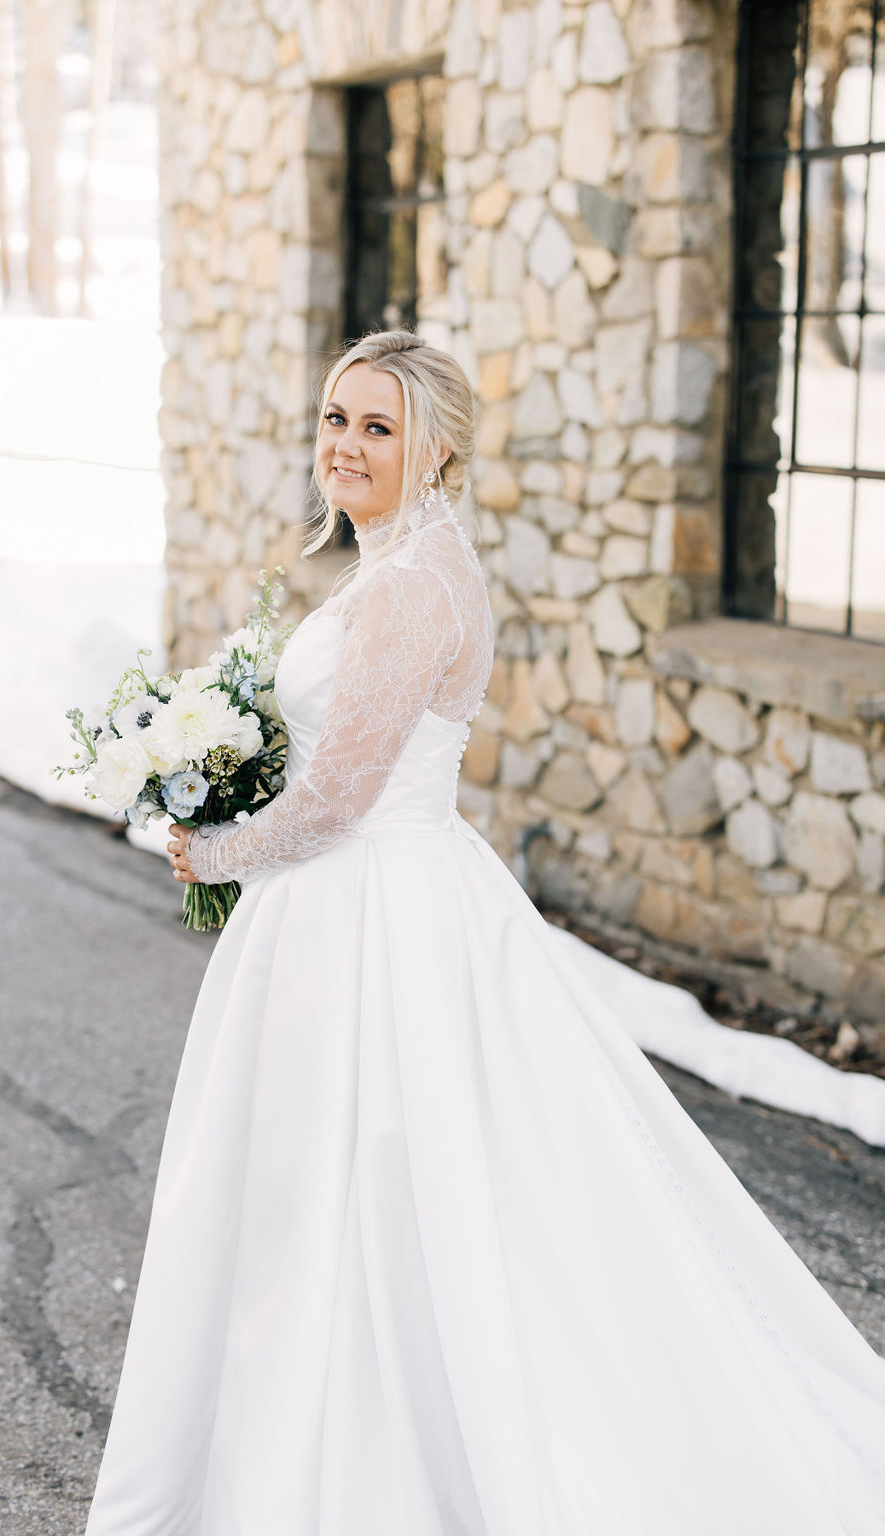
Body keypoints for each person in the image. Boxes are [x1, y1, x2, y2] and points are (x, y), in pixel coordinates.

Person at [84, 330, 885, 1534]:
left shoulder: (412, 586)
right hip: (350, 909)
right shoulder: (400, 565)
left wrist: (217, 850)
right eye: (336, 420)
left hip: (377, 920)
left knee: (382, 1191)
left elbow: (341, 796)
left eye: (377, 428)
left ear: (438, 448)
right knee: (325, 1193)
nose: (344, 447)